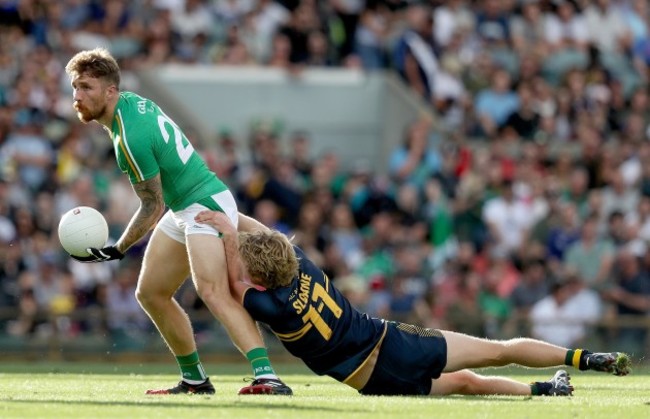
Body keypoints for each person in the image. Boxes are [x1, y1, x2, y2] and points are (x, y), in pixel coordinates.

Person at [195, 210, 631, 397]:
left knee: (468, 383)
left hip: (371, 378)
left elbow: (235, 284)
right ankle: (584, 359)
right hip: (394, 341)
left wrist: (227, 237)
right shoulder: (306, 265)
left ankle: (545, 389)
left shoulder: (271, 308)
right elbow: (269, 235)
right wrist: (233, 219)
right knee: (497, 350)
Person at [63, 48, 291, 396]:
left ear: (110, 91)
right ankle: (195, 380)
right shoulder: (131, 103)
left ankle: (268, 376)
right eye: (75, 87)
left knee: (213, 291)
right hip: (187, 204)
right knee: (151, 293)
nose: (77, 96)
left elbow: (152, 207)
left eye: (86, 87)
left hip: (200, 203)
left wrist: (117, 248)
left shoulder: (129, 139)